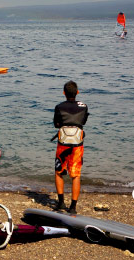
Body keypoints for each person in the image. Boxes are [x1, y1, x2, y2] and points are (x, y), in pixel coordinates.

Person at [53, 80, 89, 213]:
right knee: (76, 175)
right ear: (77, 92)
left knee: (59, 172)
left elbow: (56, 124)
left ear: (64, 93)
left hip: (63, 143)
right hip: (77, 144)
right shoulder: (84, 106)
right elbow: (83, 121)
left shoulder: (59, 107)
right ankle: (73, 207)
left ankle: (61, 203)